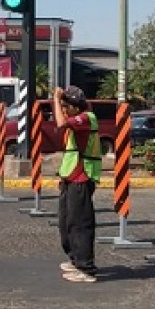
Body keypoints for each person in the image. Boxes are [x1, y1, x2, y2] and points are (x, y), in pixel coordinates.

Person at [53, 85, 102, 283]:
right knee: (66, 222)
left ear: (75, 106)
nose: (63, 109)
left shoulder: (86, 118)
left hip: (82, 178)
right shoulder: (77, 121)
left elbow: (60, 124)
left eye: (66, 105)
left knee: (80, 224)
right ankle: (75, 258)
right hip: (70, 177)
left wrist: (55, 100)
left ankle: (86, 267)